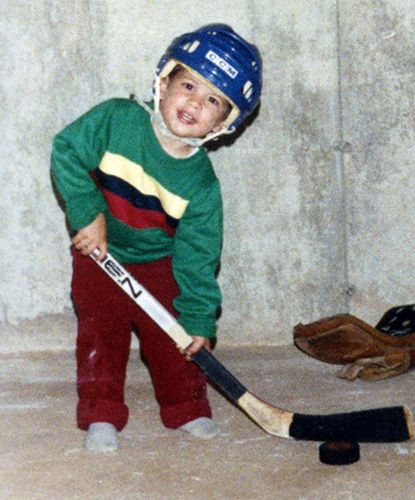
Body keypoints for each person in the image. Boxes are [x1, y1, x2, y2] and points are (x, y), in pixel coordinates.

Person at [50, 24, 262, 452]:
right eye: (188, 85)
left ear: (225, 123)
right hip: (101, 252)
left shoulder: (202, 186)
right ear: (163, 82)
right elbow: (66, 150)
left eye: (213, 100)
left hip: (159, 260)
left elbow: (199, 257)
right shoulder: (116, 120)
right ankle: (102, 413)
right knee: (101, 334)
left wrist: (200, 319)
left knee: (175, 338)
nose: (194, 103)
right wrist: (87, 214)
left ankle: (186, 407)